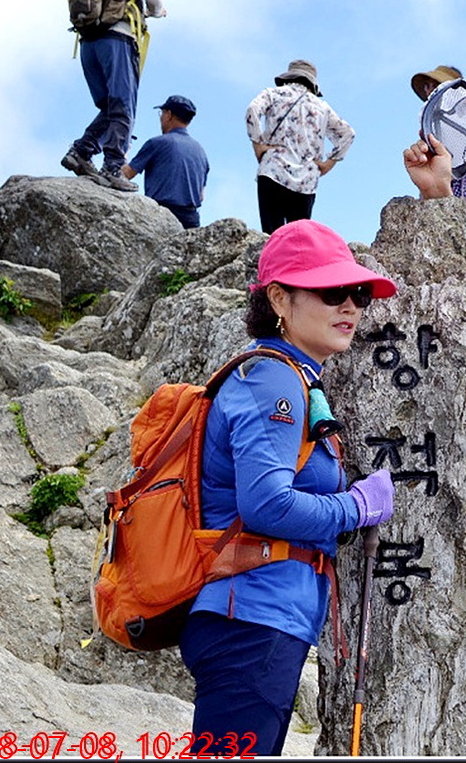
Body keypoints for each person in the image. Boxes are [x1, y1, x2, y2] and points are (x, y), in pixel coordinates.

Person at [180, 219, 397, 755]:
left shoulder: (296, 376)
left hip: (261, 622)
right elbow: (266, 505)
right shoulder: (274, 378)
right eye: (331, 291)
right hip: (251, 623)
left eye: (359, 293)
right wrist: (356, 507)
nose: (350, 306)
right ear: (279, 298)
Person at [61, 0, 166, 192]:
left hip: (88, 41)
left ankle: (81, 152)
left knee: (109, 106)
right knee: (123, 106)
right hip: (118, 39)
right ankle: (112, 166)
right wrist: (158, 11)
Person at [245, 60, 355, 234]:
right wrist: (328, 163)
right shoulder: (322, 107)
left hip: (273, 171)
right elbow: (348, 133)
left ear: (288, 77)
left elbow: (252, 110)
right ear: (312, 84)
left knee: (272, 236)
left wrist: (258, 144)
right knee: (297, 239)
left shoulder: (273, 94)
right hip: (306, 182)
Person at [120, 95, 209, 228]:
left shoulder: (157, 143)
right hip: (191, 221)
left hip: (160, 216)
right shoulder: (201, 152)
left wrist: (123, 153)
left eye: (162, 113)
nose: (161, 118)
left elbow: (125, 174)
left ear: (169, 115)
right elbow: (201, 196)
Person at [410, 64, 466, 203]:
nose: (429, 90)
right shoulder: (433, 122)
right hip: (437, 194)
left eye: (435, 85)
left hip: (457, 194)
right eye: (427, 86)